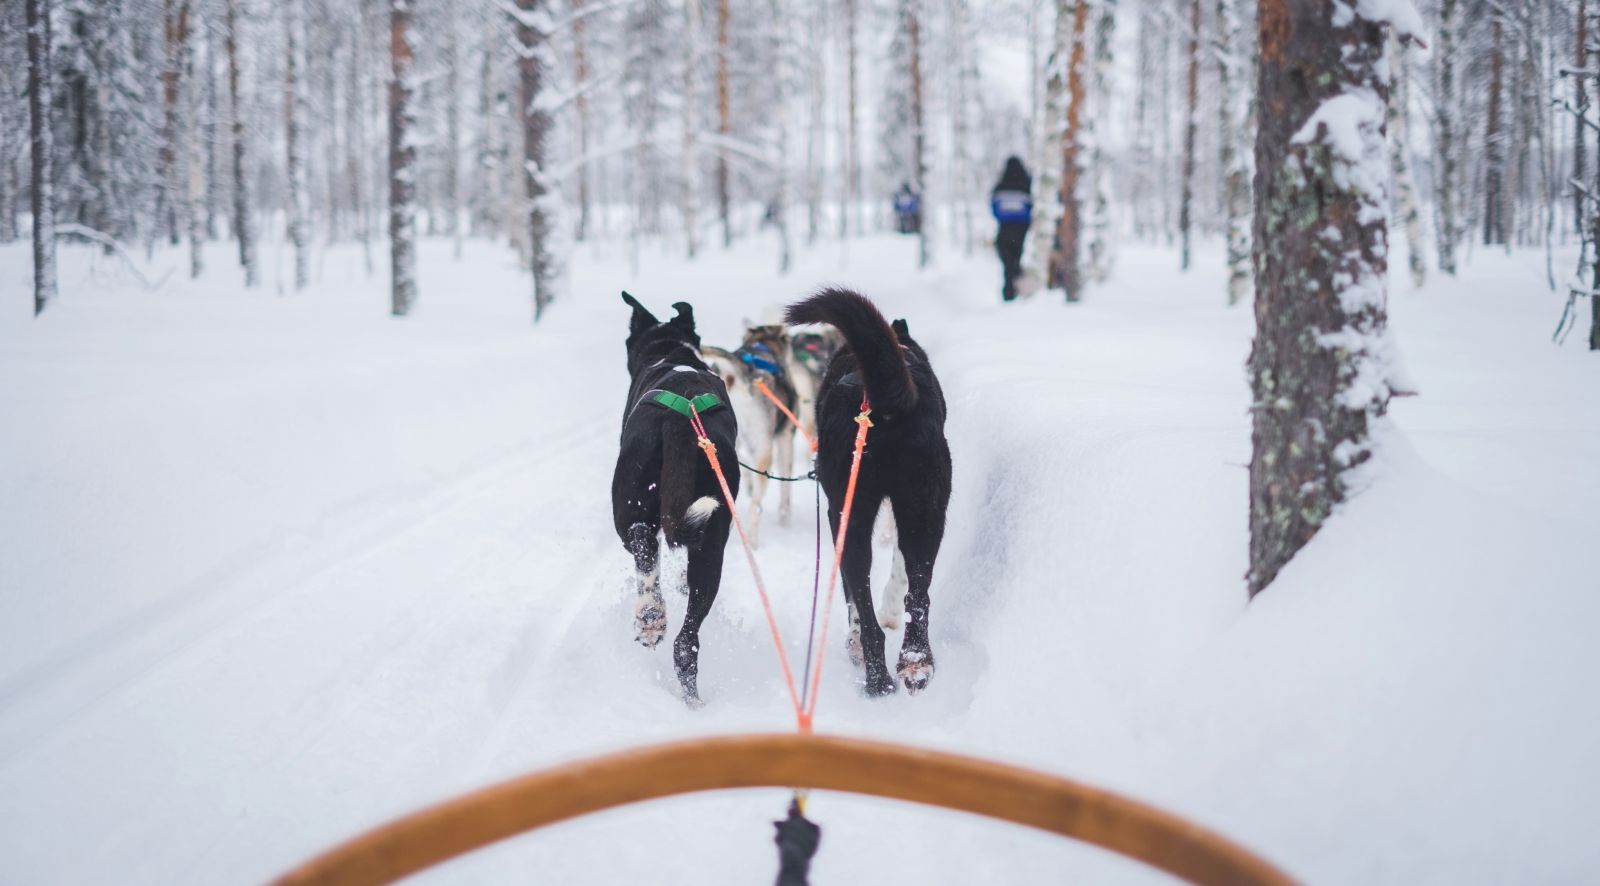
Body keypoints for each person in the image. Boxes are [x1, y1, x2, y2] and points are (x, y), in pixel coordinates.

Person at [990, 157, 1033, 301]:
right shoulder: (1026, 184)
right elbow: (1031, 207)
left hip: (1004, 231)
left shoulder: (1001, 186)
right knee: (1016, 261)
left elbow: (994, 208)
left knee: (1007, 264)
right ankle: (1017, 289)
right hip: (1021, 232)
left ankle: (1009, 291)